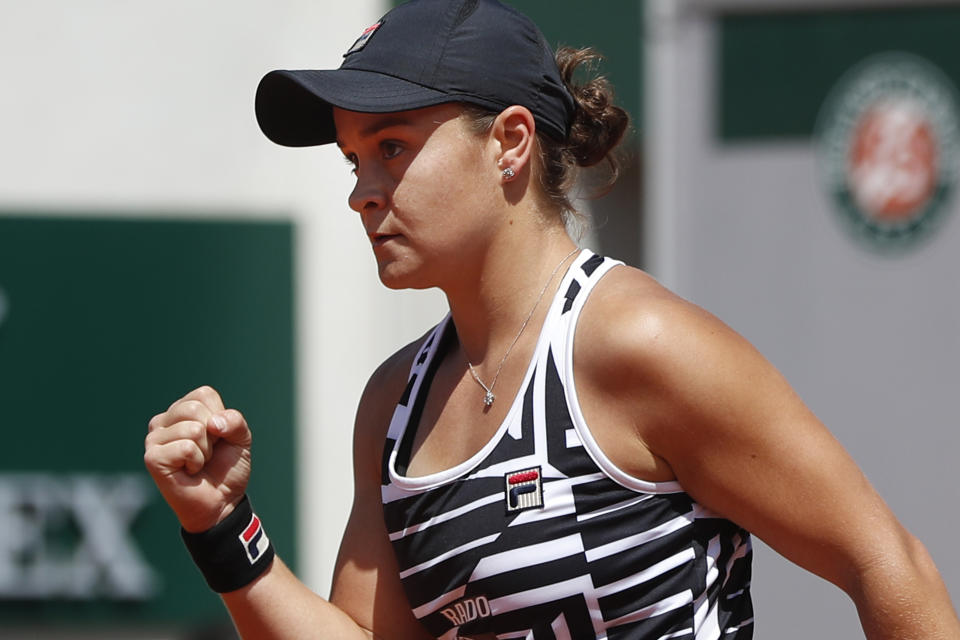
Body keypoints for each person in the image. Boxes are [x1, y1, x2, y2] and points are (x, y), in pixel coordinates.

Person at [143, 0, 960, 638]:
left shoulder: (638, 344)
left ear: (509, 142)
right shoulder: (392, 407)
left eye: (392, 146)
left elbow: (888, 566)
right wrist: (223, 530)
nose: (362, 189)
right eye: (353, 159)